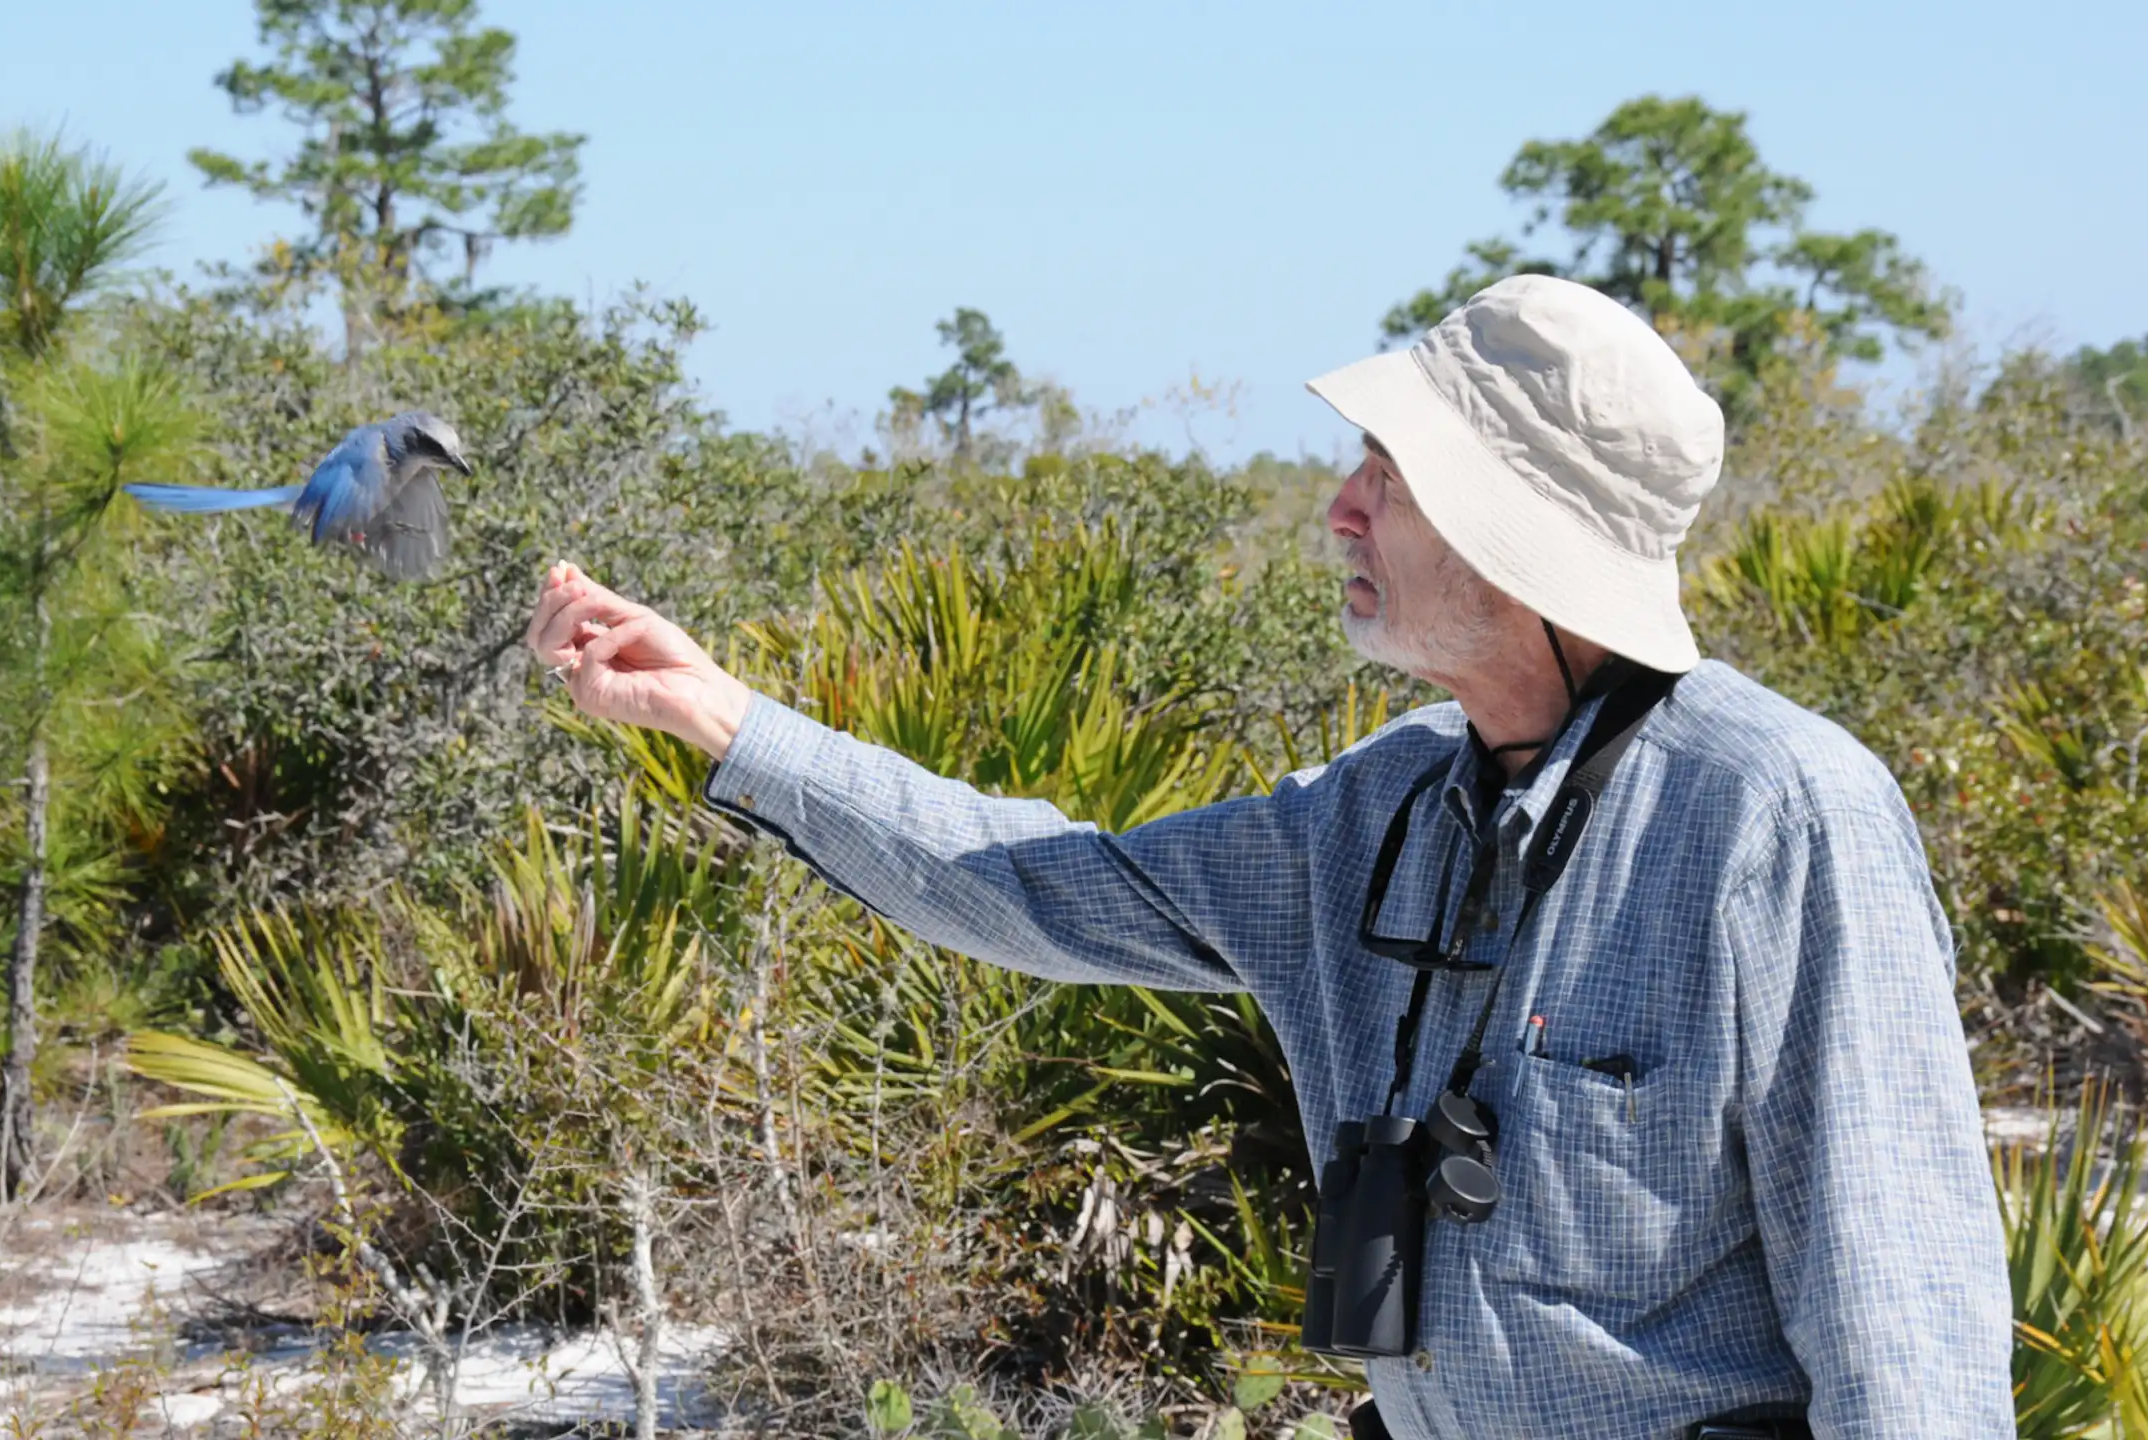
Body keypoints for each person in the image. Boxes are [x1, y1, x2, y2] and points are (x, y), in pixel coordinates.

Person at [522, 274, 2014, 1439]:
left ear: (1517, 531)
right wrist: (722, 720)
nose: (1340, 505)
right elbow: (1024, 882)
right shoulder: (1364, 818)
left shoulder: (1781, 816)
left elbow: (1902, 1315)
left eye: (1392, 468)